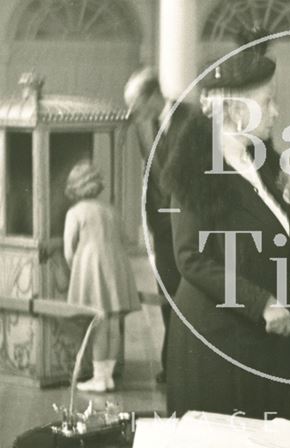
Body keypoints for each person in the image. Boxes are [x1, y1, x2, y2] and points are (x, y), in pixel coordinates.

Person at [162, 45, 290, 420]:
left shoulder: (261, 159)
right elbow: (190, 257)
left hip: (265, 333)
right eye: (268, 101)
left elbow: (276, 234)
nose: (277, 112)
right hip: (219, 341)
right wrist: (261, 303)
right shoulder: (197, 168)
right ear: (236, 110)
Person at [124, 67, 197, 384]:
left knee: (189, 298)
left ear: (153, 96)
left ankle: (189, 366)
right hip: (161, 228)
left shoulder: (191, 119)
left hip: (189, 228)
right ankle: (174, 364)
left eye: (135, 104)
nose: (132, 112)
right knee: (168, 295)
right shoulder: (146, 126)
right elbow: (151, 178)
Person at [63, 160, 141, 392]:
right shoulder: (110, 210)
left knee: (98, 323)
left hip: (91, 267)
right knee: (114, 322)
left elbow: (69, 249)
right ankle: (108, 376)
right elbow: (126, 239)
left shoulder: (75, 212)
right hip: (116, 267)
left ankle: (98, 377)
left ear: (73, 188)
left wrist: (74, 269)